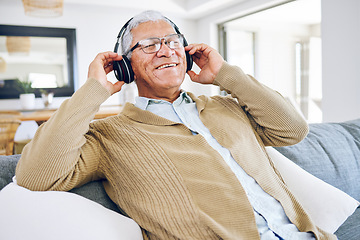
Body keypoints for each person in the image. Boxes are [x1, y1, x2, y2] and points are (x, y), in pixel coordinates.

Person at [15, 10, 335, 240]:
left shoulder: (228, 108)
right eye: (150, 44)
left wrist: (226, 75)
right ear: (125, 66)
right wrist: (93, 91)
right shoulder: (108, 136)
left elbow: (293, 129)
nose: (165, 50)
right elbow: (35, 175)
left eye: (172, 41)